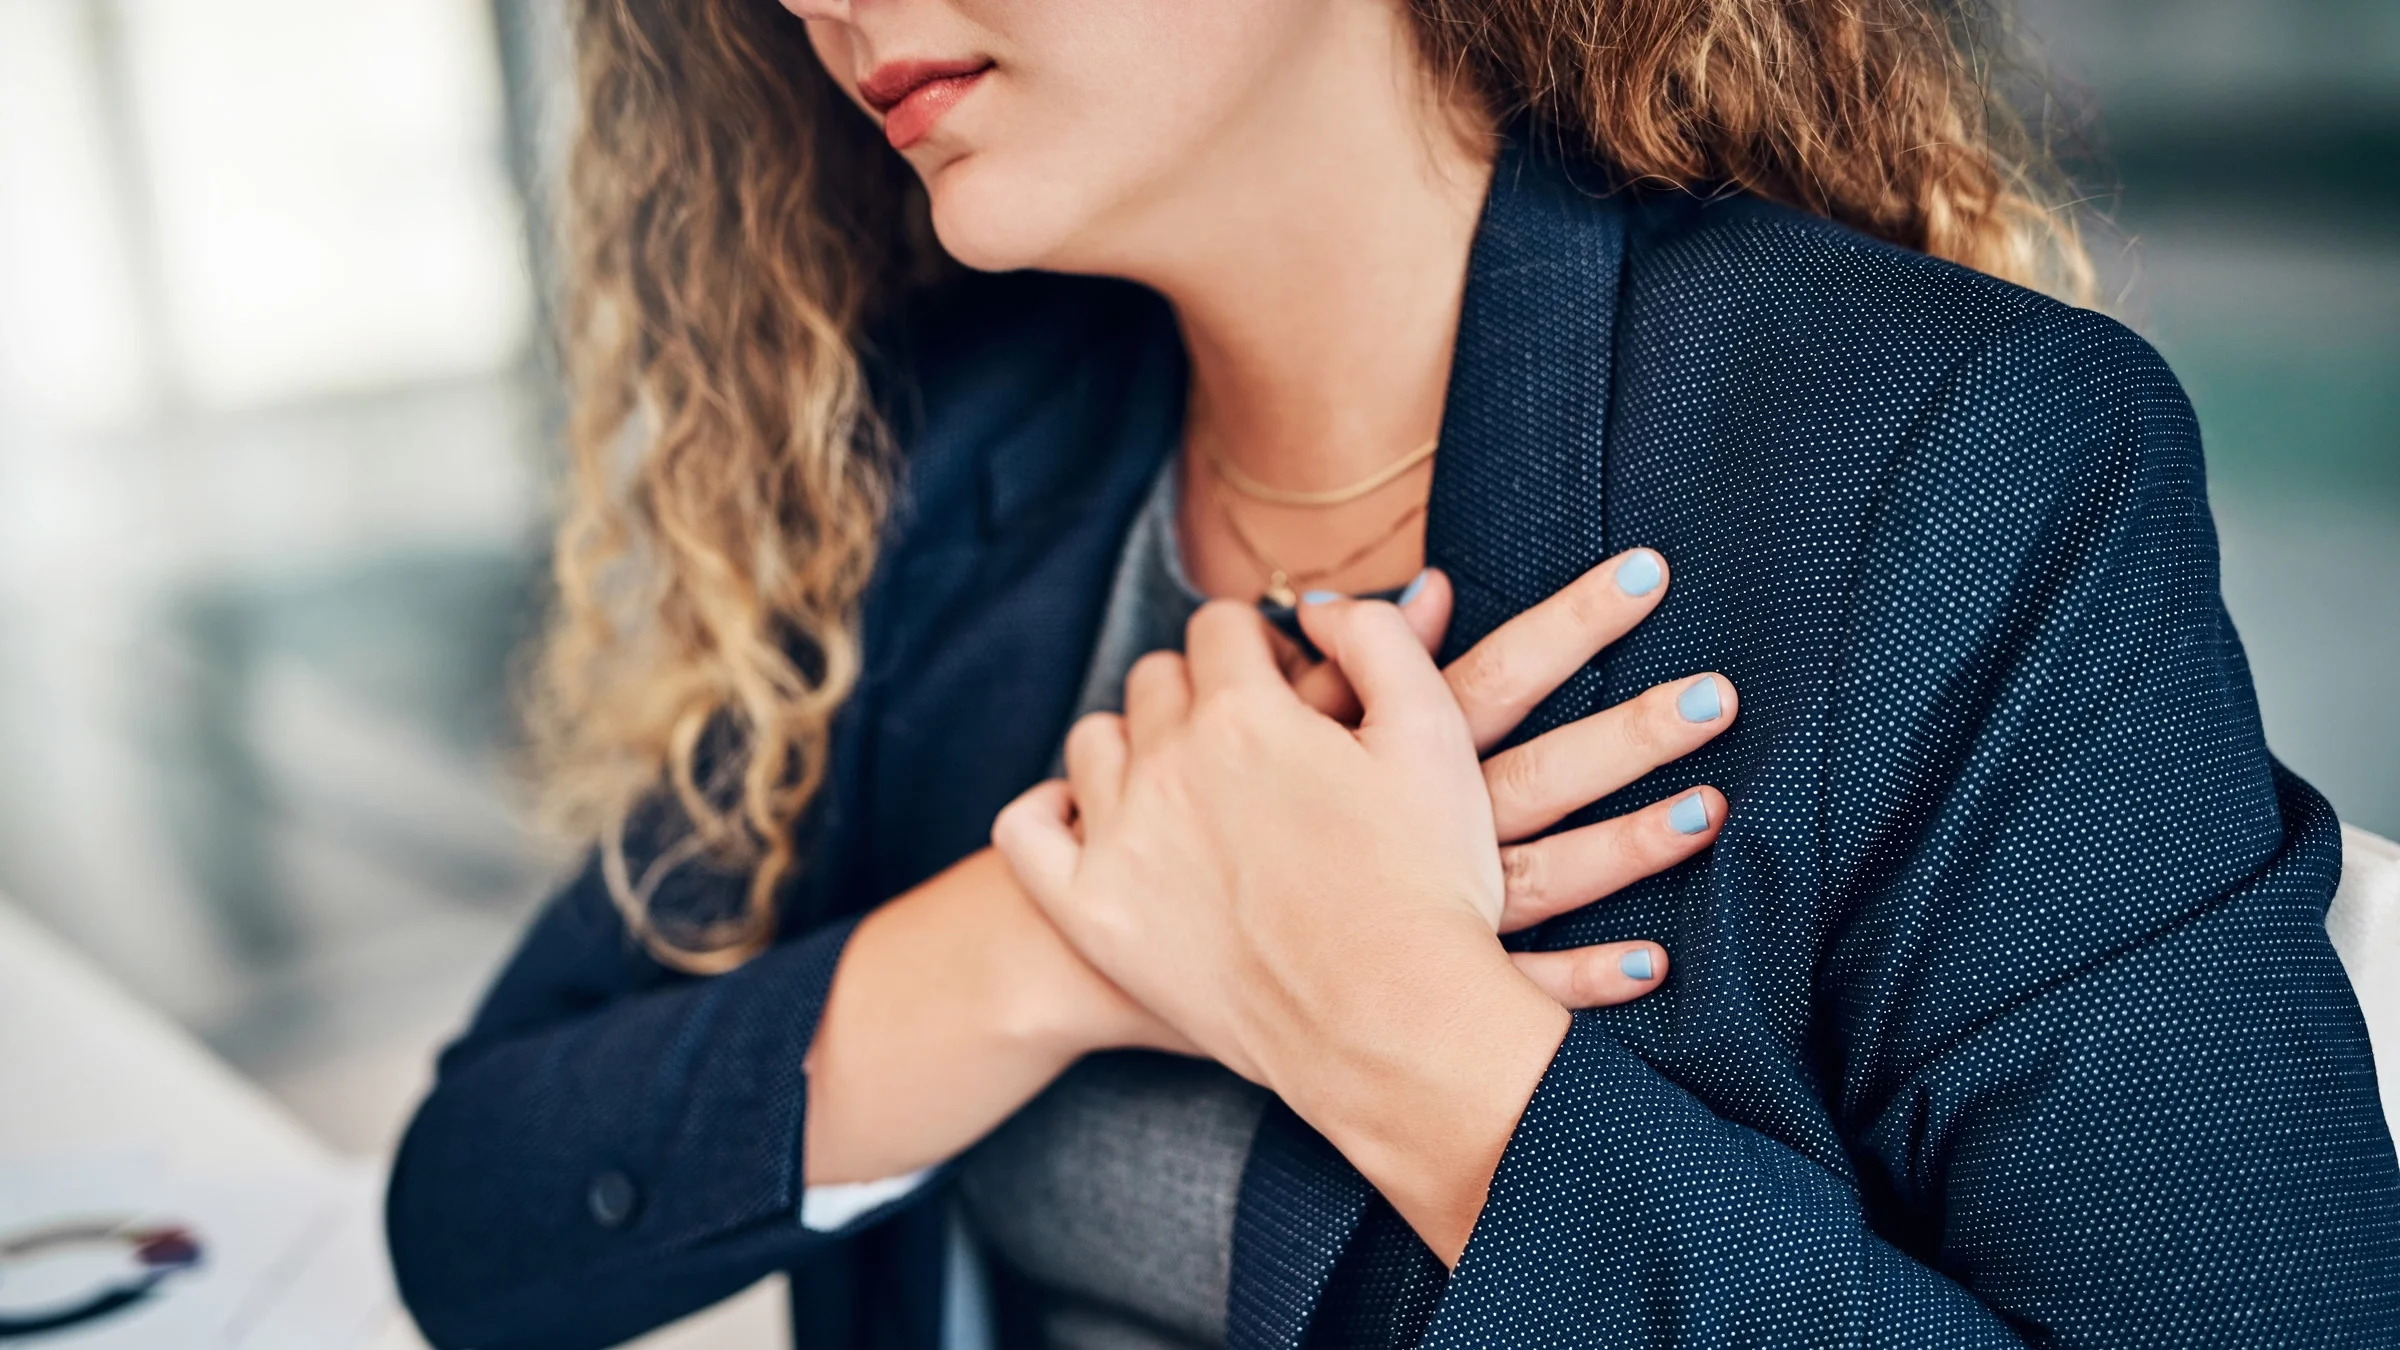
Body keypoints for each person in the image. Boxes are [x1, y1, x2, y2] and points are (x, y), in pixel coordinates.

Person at [386, 0, 2400, 1346]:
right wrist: (1076, 924)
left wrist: (1396, 1030)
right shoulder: (949, 459)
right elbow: (478, 1217)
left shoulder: (1941, 463)